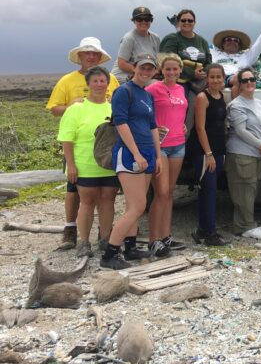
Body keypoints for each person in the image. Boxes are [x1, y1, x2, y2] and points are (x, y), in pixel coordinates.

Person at [47, 36, 120, 250]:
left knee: (107, 199)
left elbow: (119, 107)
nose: (91, 56)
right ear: (79, 56)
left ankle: (104, 236)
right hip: (81, 152)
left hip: (107, 158)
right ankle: (72, 232)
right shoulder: (67, 81)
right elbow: (54, 109)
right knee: (75, 193)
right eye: (87, 53)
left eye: (95, 53)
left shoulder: (112, 80)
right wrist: (71, 106)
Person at [100, 54, 162, 270]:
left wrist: (157, 154)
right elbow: (121, 123)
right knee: (137, 207)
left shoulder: (147, 95)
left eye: (150, 69)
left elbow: (153, 126)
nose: (146, 72)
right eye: (142, 67)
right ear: (134, 68)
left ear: (155, 71)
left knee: (133, 205)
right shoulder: (123, 92)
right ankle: (110, 254)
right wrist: (136, 153)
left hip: (147, 154)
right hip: (129, 155)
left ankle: (131, 247)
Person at [145, 54, 188, 257]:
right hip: (159, 145)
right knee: (160, 193)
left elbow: (178, 112)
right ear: (161, 70)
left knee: (170, 192)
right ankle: (153, 240)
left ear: (180, 70)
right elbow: (143, 111)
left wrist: (182, 125)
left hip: (178, 144)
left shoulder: (180, 89)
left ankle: (166, 235)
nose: (171, 73)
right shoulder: (153, 88)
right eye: (167, 69)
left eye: (175, 69)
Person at [226, 69, 261, 238]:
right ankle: (247, 226)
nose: (249, 83)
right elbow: (240, 131)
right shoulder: (236, 105)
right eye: (245, 81)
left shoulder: (259, 103)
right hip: (242, 153)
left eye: (252, 79)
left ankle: (244, 225)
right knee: (243, 190)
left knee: (251, 190)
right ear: (239, 84)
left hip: (260, 153)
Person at [189, 64, 229, 246]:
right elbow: (199, 127)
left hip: (218, 150)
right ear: (207, 78)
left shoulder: (221, 96)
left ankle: (203, 230)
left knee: (209, 191)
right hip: (204, 151)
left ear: (223, 78)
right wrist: (208, 153)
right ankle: (210, 233)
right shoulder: (202, 97)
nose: (215, 80)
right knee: (209, 190)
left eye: (218, 77)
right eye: (212, 77)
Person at [210, 12, 261, 94]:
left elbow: (260, 43)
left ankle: (235, 106)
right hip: (215, 77)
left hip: (233, 78)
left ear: (239, 45)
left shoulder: (246, 56)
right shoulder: (213, 52)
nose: (232, 42)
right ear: (223, 43)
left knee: (237, 78)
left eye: (235, 40)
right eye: (228, 39)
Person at [159, 9, 212, 95]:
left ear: (194, 23)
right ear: (178, 22)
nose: (187, 22)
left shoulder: (203, 41)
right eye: (183, 20)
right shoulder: (171, 39)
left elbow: (208, 62)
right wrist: (192, 73)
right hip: (177, 79)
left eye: (190, 20)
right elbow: (167, 63)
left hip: (199, 79)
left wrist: (203, 73)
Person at [111, 7, 161, 84]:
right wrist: (144, 72)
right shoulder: (129, 38)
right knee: (155, 85)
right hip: (124, 76)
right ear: (134, 21)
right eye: (139, 19)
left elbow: (158, 61)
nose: (143, 21)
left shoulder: (156, 38)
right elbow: (121, 64)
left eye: (147, 19)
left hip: (144, 74)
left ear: (151, 20)